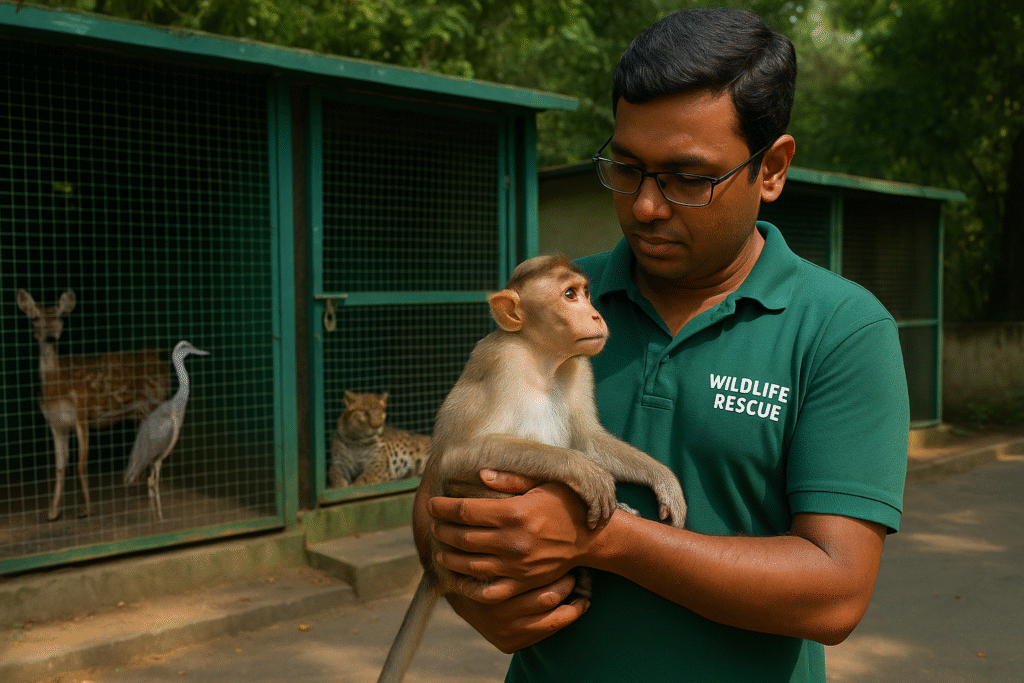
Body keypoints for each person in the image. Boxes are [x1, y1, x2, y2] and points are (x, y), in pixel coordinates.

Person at [413, 7, 909, 682]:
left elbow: (835, 591)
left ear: (772, 169)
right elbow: (441, 488)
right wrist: (476, 597)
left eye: (687, 177)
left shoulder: (839, 328)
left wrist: (608, 537)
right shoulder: (557, 302)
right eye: (627, 165)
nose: (646, 205)